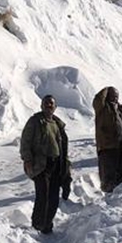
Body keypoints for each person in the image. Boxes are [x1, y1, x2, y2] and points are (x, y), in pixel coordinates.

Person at [20, 95, 71, 233]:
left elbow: (63, 148)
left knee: (54, 196)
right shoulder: (35, 121)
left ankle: (47, 224)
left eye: (51, 104)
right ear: (42, 105)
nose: (49, 105)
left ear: (55, 107)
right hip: (41, 165)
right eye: (46, 103)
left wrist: (66, 168)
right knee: (43, 194)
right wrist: (28, 160)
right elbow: (25, 142)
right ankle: (37, 225)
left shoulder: (57, 123)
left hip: (56, 165)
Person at [93, 86, 122, 193]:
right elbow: (97, 99)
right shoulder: (102, 108)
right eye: (112, 96)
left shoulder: (120, 109)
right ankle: (109, 198)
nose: (115, 98)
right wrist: (107, 89)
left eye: (117, 96)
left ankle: (121, 196)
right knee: (109, 176)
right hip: (108, 147)